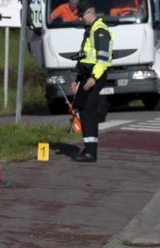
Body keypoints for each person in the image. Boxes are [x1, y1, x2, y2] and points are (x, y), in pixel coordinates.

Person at [70, 3, 112, 163]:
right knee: (82, 108)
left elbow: (102, 59)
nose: (81, 19)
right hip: (86, 75)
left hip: (96, 75)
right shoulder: (90, 30)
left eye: (82, 16)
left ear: (89, 12)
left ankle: (91, 153)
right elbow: (85, 58)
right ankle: (88, 148)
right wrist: (77, 80)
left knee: (89, 110)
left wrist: (93, 78)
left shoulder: (100, 31)